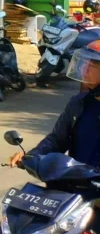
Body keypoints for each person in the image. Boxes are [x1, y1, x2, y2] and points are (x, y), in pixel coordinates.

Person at [10, 40, 100, 170]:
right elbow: (57, 140)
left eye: (92, 67)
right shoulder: (78, 103)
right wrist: (32, 156)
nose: (85, 72)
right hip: (76, 183)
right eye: (85, 65)